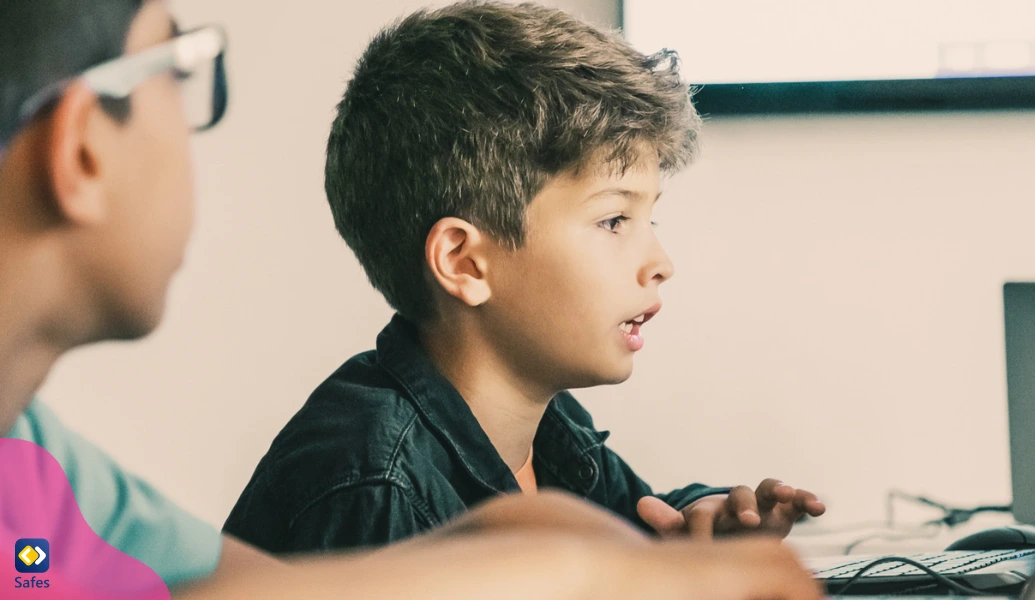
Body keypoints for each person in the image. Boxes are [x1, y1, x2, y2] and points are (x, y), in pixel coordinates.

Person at [0, 1, 822, 598]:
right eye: (178, 78)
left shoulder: (42, 469)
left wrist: (664, 540)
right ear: (81, 151)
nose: (659, 261)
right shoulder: (372, 480)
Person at [224, 1, 825, 555]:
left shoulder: (549, 427)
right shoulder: (374, 484)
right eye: (615, 219)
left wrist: (696, 526)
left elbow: (632, 533)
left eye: (650, 216)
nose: (660, 262)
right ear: (464, 262)